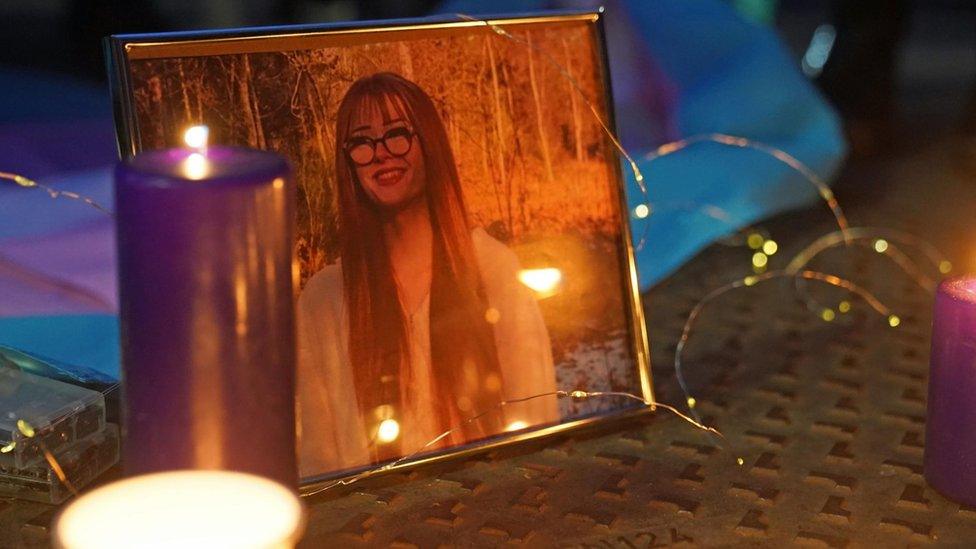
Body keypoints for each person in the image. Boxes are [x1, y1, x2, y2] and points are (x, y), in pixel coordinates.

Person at [297, 72, 558, 477]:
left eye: (398, 133)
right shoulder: (324, 299)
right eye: (362, 142)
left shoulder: (492, 269)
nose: (381, 153)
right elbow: (317, 460)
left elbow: (537, 423)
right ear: (348, 161)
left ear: (429, 142)